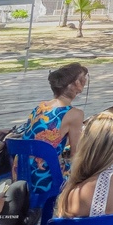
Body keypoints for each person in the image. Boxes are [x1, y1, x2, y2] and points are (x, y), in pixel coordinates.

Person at [19, 63, 87, 192]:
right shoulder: (74, 114)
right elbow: (76, 154)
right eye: (83, 78)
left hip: (22, 172)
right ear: (77, 84)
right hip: (45, 176)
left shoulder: (40, 107)